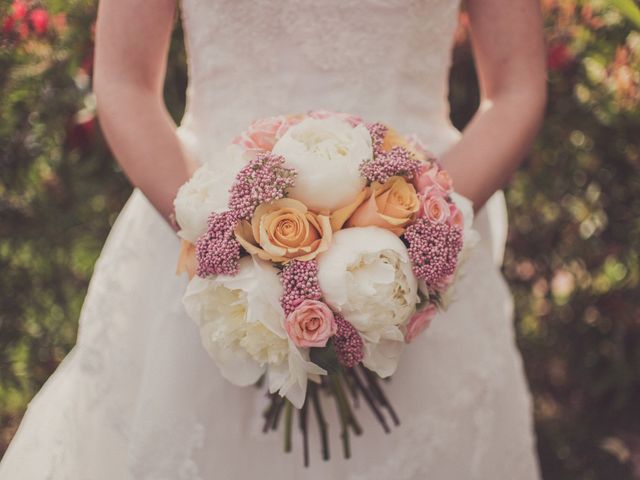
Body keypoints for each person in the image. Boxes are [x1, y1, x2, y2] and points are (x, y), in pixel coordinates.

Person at [0, 0, 547, 478]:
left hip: (412, 252)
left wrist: (419, 234)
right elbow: (124, 79)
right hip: (202, 232)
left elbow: (516, 87)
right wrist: (226, 243)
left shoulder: (419, 234)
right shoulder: (218, 236)